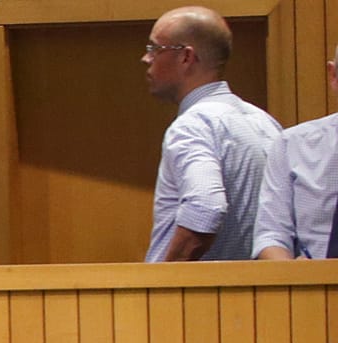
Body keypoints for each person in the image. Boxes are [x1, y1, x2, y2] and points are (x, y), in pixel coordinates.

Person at [141, 6, 280, 262]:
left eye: (154, 49)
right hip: (254, 296)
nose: (146, 59)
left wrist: (164, 285)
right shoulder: (265, 122)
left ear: (186, 57)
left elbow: (205, 208)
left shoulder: (194, 125)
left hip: (195, 298)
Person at [254, 45, 338, 259]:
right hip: (315, 288)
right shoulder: (291, 145)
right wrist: (298, 283)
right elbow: (271, 235)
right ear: (333, 75)